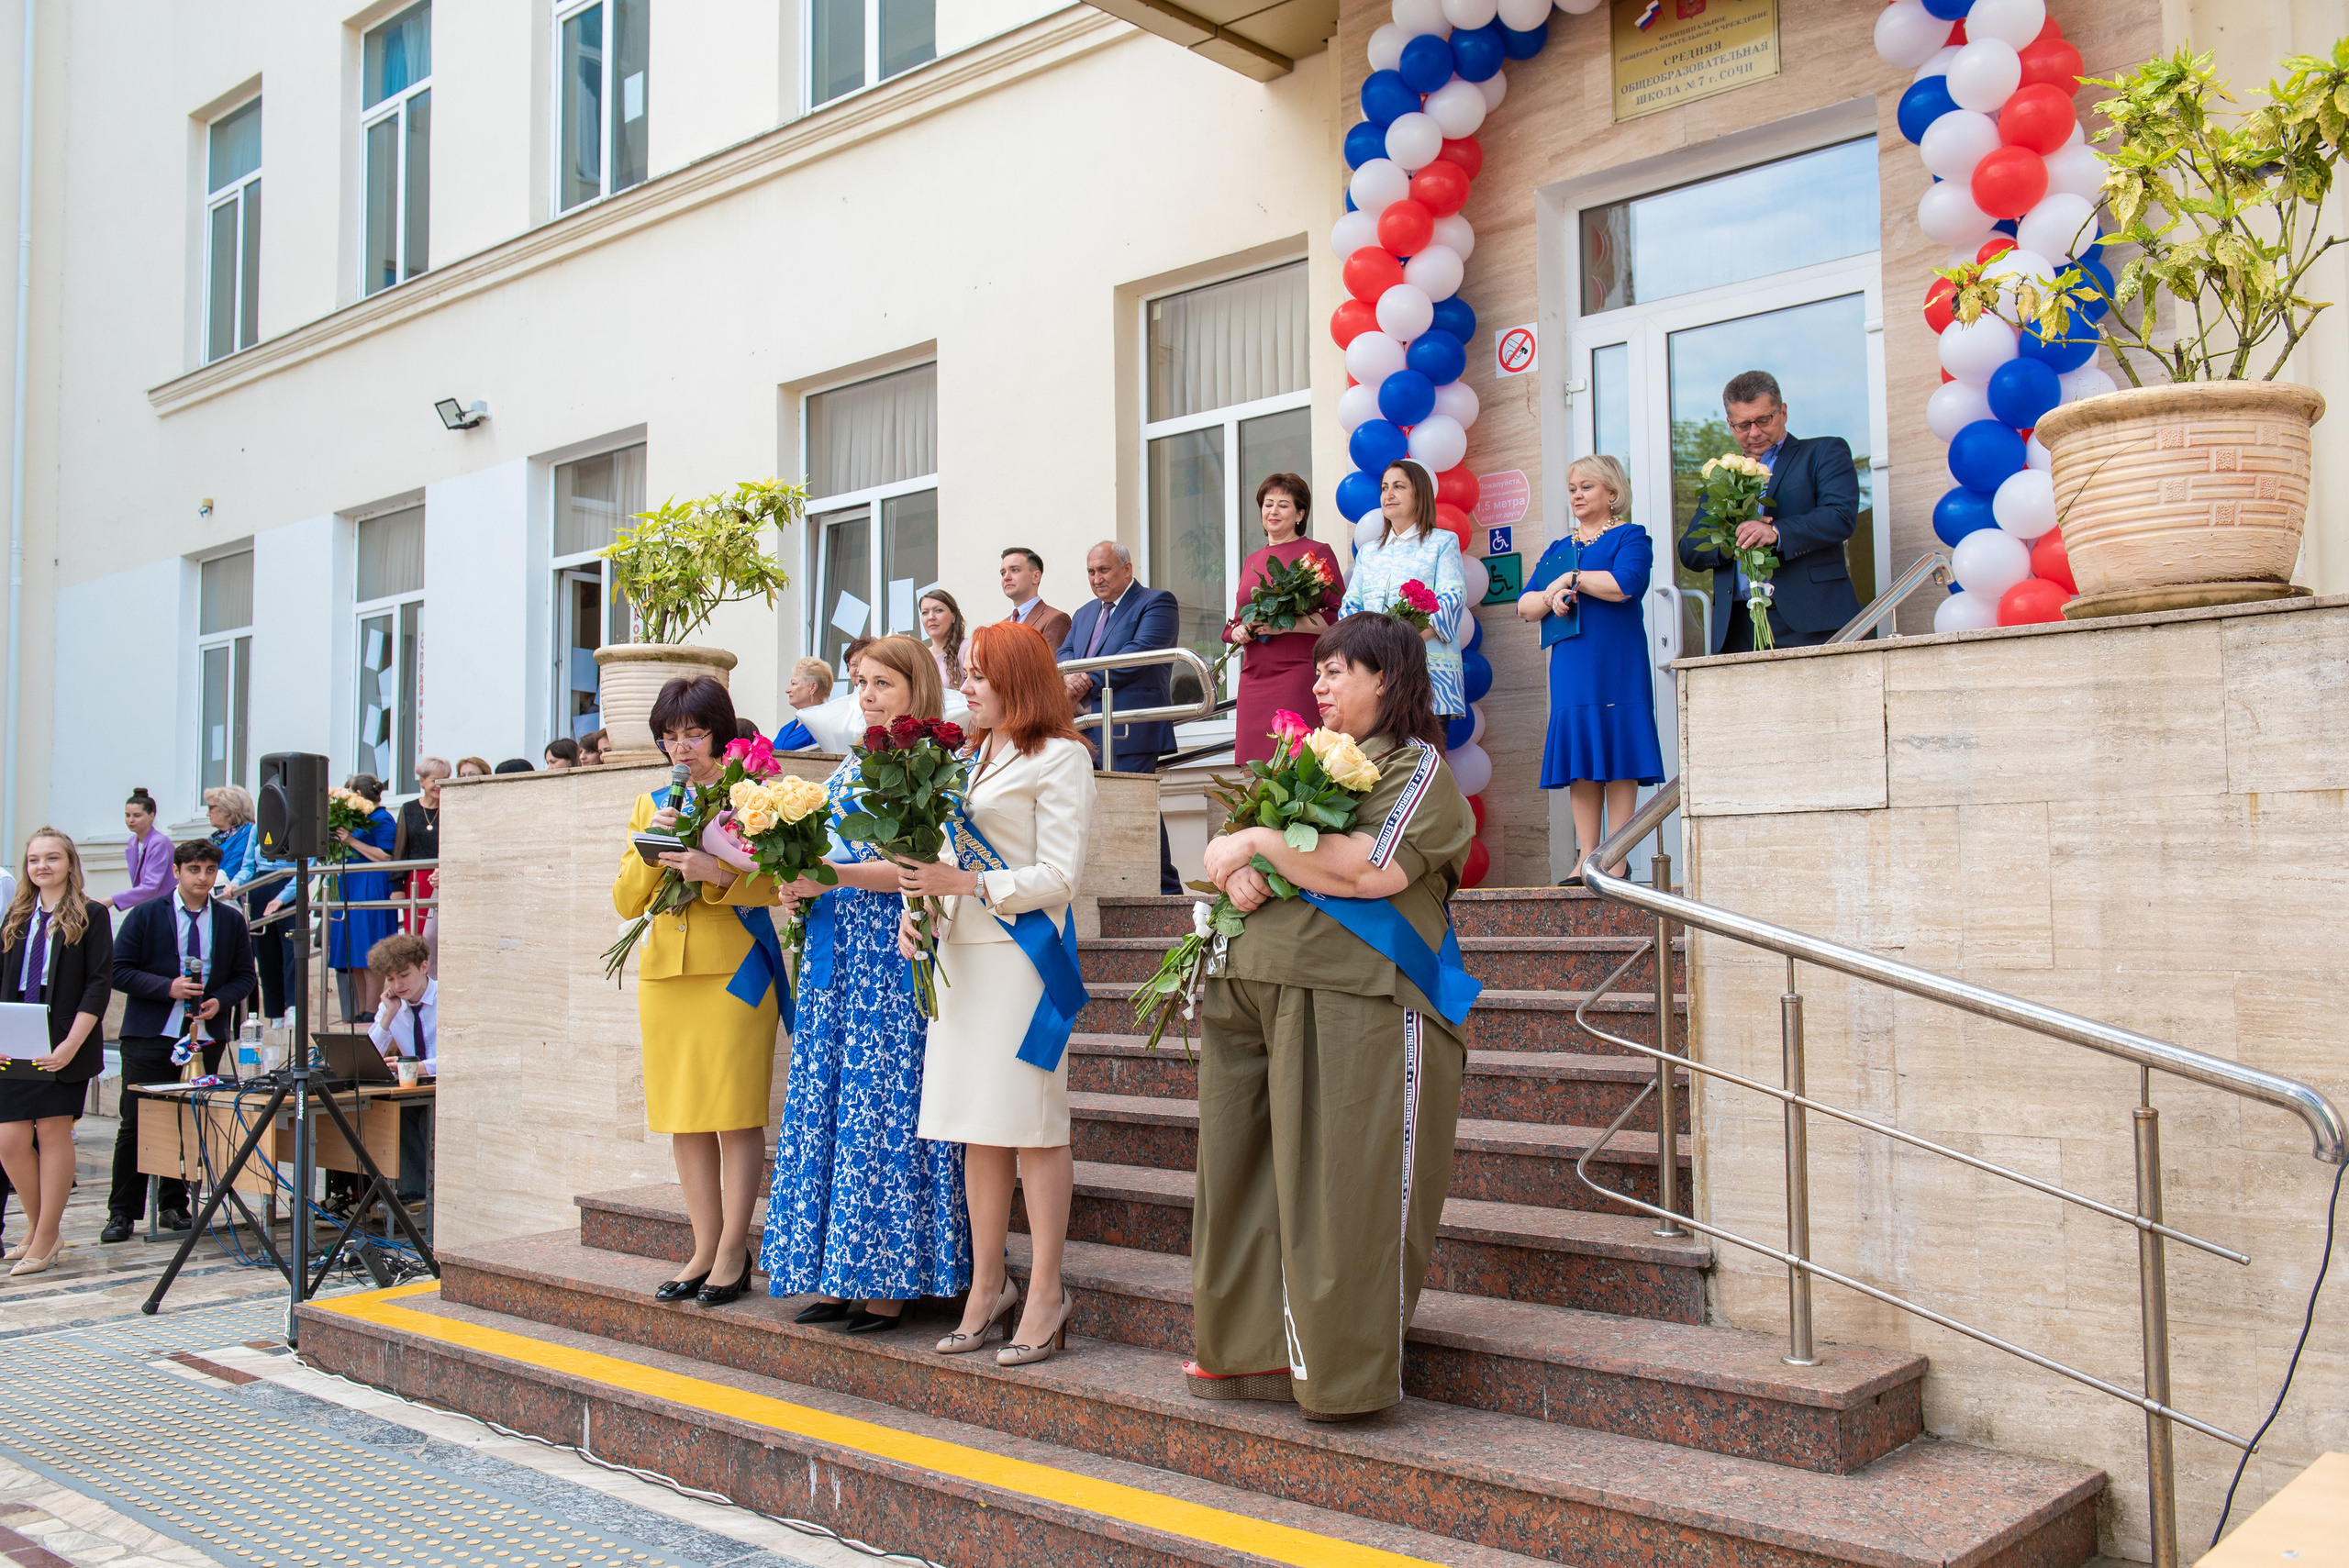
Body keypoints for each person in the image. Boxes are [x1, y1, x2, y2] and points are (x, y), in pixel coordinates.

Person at [1187, 613, 1475, 1421]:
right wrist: (1240, 867)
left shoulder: (1415, 766)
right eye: (1317, 670)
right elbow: (1230, 853)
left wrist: (1260, 843)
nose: (1318, 684)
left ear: (1387, 677)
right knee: (1243, 1178)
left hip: (1359, 997)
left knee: (1347, 1187)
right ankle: (1248, 1352)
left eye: (1337, 669)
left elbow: (1370, 869)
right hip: (1257, 985)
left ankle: (1341, 1376)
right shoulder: (1303, 760)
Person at [762, 635, 969, 1334]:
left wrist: (833, 876)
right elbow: (828, 851)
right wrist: (799, 883)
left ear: (917, 687)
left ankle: (887, 1278)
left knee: (879, 1102)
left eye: (883, 682)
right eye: (861, 682)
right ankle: (835, 1269)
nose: (869, 695)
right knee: (829, 1096)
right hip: (835, 948)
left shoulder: (925, 761)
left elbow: (918, 863)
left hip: (886, 948)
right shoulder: (855, 759)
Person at [900, 621, 1095, 1365]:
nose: (966, 686)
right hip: (963, 959)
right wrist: (919, 913)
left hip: (1021, 962)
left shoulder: (1061, 757)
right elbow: (940, 860)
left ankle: (1045, 1290)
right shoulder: (966, 760)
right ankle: (988, 1286)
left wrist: (969, 883)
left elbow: (1061, 874)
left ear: (1018, 680)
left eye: (979, 674)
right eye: (967, 673)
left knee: (1033, 1127)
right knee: (976, 1128)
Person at [613, 675, 785, 1308]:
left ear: (720, 734)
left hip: (736, 971)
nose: (680, 748)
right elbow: (626, 901)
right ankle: (703, 1246)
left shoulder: (752, 796)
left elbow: (781, 884)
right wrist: (650, 849)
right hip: (667, 975)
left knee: (734, 1113)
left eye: (693, 733)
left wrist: (716, 871)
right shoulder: (651, 802)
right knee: (683, 1117)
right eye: (670, 736)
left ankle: (735, 1250)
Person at [1520, 456, 1666, 882]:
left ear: (1612, 493)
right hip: (1572, 663)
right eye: (1572, 489)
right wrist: (1550, 595)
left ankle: (1615, 856)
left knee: (1618, 752)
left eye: (1587, 487)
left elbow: (1624, 585)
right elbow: (1525, 606)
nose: (1577, 495)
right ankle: (1587, 857)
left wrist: (1571, 579)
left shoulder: (1630, 536)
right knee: (1581, 759)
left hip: (1616, 661)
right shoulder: (1558, 548)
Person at [105, 837, 257, 1242]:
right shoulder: (146, 914)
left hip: (203, 1037)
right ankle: (122, 1211)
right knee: (136, 1120)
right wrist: (166, 988)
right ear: (176, 871)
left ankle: (174, 1204)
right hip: (151, 1033)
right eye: (193, 870)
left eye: (209, 870)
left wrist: (219, 1001)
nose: (202, 878)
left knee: (188, 1119)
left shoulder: (229, 920)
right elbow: (118, 969)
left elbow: (245, 976)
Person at [1677, 369, 1862, 653]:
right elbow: (1690, 550)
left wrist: (1775, 532)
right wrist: (1731, 542)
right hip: (1736, 627)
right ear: (1730, 424)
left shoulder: (1824, 452)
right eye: (1743, 425)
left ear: (1783, 412)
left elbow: (1839, 516)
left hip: (1811, 620)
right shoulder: (1721, 477)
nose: (1754, 433)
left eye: (1764, 420)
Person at [0, 830, 112, 1275]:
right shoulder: (16, 915)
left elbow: (98, 985)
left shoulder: (91, 914)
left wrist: (69, 1046)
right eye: (34, 859)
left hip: (65, 1035)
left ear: (69, 863)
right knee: (9, 1140)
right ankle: (38, 1227)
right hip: (17, 1035)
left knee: (51, 1132)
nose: (42, 866)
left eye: (51, 858)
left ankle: (44, 1236)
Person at [1056, 540, 1182, 894]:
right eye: (1091, 572)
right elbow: (1063, 654)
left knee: (1133, 810)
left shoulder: (1157, 602)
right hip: (1086, 729)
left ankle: (1165, 892)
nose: (1097, 578)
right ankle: (1120, 890)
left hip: (1131, 727)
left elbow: (1138, 654)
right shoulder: (1083, 613)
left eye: (1104, 570)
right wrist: (1068, 677)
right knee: (1099, 813)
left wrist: (1084, 680)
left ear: (1127, 570)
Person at [1222, 473, 1345, 766]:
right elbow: (1236, 621)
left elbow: (1337, 618)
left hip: (1297, 672)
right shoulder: (1252, 560)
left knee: (1295, 760)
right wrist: (1238, 631)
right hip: (1254, 675)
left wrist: (1283, 626)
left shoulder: (1317, 553)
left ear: (1300, 514)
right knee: (1254, 764)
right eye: (1268, 504)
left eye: (1283, 505)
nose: (1273, 511)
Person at [1341, 460, 1469, 723]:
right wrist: (1368, 650)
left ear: (1419, 494)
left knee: (1425, 748)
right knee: (1379, 749)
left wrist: (1408, 642)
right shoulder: (1368, 552)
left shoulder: (1442, 542)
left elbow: (1451, 599)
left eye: (1398, 486)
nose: (1388, 494)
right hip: (1375, 673)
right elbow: (1350, 607)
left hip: (1428, 672)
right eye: (1384, 487)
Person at [366, 931, 436, 1204]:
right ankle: (411, 1198)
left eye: (404, 975)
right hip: (413, 1090)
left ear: (423, 967)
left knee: (424, 1117)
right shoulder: (392, 1006)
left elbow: (464, 1056)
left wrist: (420, 1067)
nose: (398, 985)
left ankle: (426, 1196)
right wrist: (388, 1017)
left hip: (446, 1087)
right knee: (391, 1114)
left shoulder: (448, 999)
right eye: (391, 978)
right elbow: (367, 1054)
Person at [326, 774, 398, 1025]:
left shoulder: (382, 818)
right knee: (353, 950)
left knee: (369, 945)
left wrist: (351, 840)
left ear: (357, 794)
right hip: (351, 885)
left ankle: (372, 1007)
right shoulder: (356, 818)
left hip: (371, 885)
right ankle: (360, 1009)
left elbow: (387, 856)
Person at [395, 757, 447, 943]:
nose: (439, 785)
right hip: (416, 880)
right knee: (415, 934)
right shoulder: (409, 809)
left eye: (444, 780)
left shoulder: (452, 807)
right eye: (434, 780)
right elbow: (400, 849)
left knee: (439, 934)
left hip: (443, 877)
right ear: (422, 781)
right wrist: (396, 886)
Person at [994, 547, 1071, 654]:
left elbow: (1052, 664)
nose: (1006, 577)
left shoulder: (1054, 619)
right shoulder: (1000, 627)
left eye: (1015, 570)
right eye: (1003, 573)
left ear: (1035, 577)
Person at [114, 788, 173, 913]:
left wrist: (112, 900)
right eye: (127, 815)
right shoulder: (133, 841)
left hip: (164, 907)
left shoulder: (159, 842)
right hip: (146, 906)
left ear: (152, 815)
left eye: (137, 815)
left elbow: (151, 885)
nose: (130, 820)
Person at [774, 658, 832, 750]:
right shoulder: (786, 729)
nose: (787, 690)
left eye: (793, 683)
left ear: (813, 687)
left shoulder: (824, 727)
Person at [918, 588, 967, 694]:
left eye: (938, 610)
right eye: (925, 612)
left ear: (954, 616)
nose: (931, 617)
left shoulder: (967, 648)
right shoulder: (920, 656)